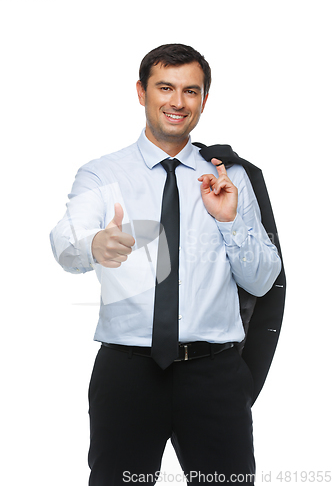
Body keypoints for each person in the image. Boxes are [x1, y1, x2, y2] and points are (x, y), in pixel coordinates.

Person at [50, 43, 282, 485]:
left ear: (203, 100)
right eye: (165, 88)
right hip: (128, 373)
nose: (178, 102)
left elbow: (261, 278)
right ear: (142, 92)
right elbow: (66, 244)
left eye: (191, 91)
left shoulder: (230, 177)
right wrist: (95, 244)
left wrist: (230, 220)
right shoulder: (102, 174)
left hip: (215, 374)